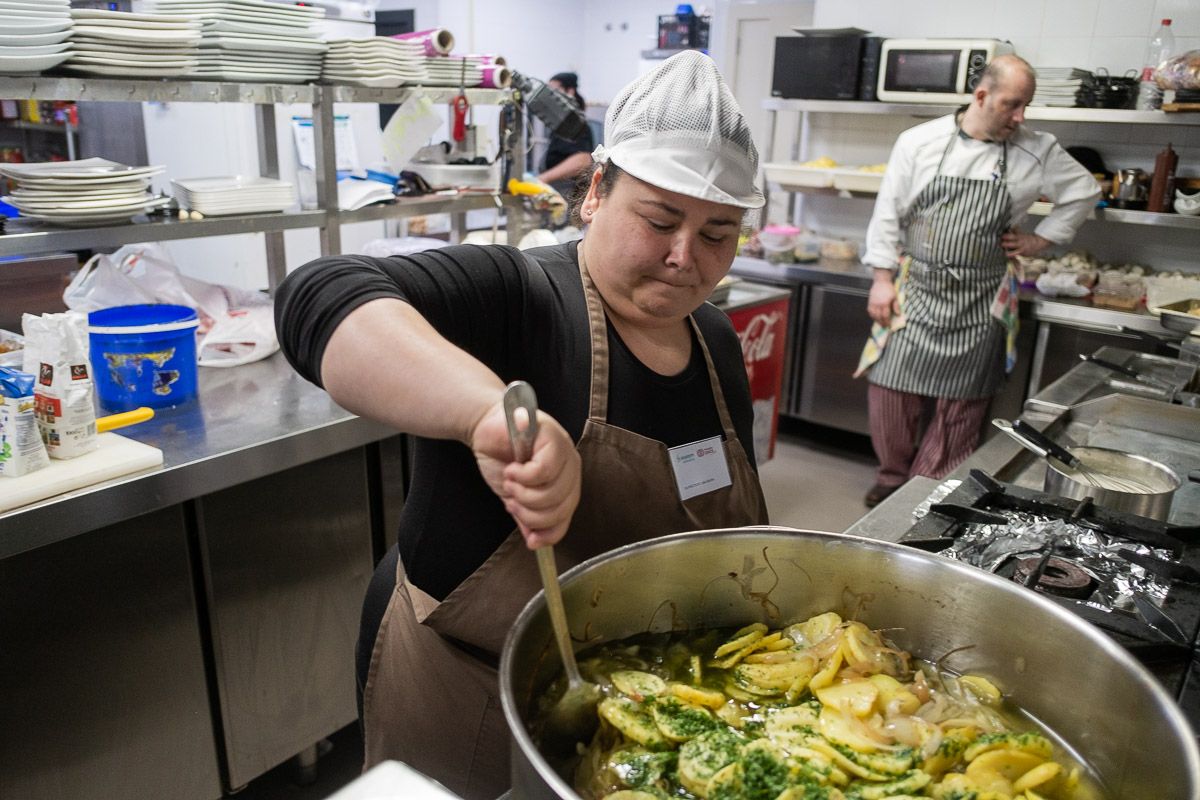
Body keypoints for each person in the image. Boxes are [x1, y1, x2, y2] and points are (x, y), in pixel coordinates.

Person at [274, 51, 768, 800]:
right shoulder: (519, 296)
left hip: (643, 703)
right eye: (661, 220)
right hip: (467, 691)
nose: (683, 259)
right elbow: (321, 294)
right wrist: (484, 412)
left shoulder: (716, 342)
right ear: (595, 192)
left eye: (717, 234)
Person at [856, 54, 1099, 507]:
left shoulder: (1037, 149)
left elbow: (1084, 192)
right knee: (889, 388)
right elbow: (887, 214)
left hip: (982, 296)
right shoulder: (919, 141)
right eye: (1012, 104)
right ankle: (891, 476)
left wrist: (1041, 239)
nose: (1020, 116)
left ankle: (923, 493)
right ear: (981, 96)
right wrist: (881, 279)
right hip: (917, 287)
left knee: (962, 404)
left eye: (1026, 105)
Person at [536, 71, 595, 197]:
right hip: (556, 191)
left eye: (554, 91)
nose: (549, 96)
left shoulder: (575, 125)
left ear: (570, 91)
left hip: (568, 195)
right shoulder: (561, 125)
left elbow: (582, 160)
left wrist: (544, 178)